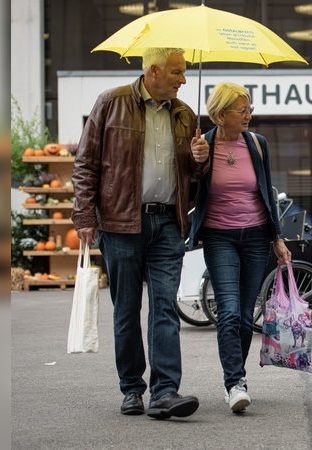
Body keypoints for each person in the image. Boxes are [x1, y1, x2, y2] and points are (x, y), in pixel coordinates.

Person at [72, 47, 210, 419]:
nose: (183, 79)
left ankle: (165, 390)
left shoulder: (184, 114)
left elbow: (193, 176)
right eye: (177, 72)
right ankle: (132, 388)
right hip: (120, 223)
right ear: (153, 71)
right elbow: (85, 163)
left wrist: (200, 160)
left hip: (167, 222)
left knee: (165, 307)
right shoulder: (111, 103)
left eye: (184, 73)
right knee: (127, 310)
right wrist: (85, 216)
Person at [188, 82, 292, 413]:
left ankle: (237, 378)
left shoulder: (257, 145)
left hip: (256, 238)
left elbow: (266, 193)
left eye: (250, 109)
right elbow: (189, 191)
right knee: (229, 311)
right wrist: (195, 162)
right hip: (219, 237)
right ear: (220, 114)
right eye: (242, 110)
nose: (249, 115)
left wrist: (277, 237)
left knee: (246, 317)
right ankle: (234, 383)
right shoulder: (202, 145)